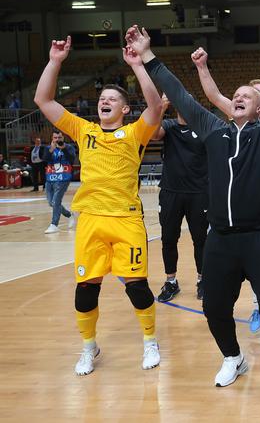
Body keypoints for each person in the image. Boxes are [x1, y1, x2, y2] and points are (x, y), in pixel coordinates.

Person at [137, 24, 260, 389]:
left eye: (247, 95)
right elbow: (179, 94)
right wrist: (148, 56)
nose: (238, 97)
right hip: (221, 239)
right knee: (214, 307)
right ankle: (234, 357)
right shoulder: (212, 128)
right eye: (235, 94)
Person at [33, 34, 163, 376]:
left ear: (124, 108)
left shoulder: (136, 132)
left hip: (126, 219)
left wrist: (137, 65)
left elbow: (154, 107)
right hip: (90, 219)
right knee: (86, 288)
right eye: (101, 98)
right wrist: (55, 61)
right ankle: (89, 348)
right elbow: (43, 100)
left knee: (136, 286)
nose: (104, 101)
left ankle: (150, 340)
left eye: (111, 99)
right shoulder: (82, 129)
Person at [191, 47, 260, 333]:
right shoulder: (238, 126)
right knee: (255, 259)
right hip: (247, 203)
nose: (246, 96)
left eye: (258, 93)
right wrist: (203, 67)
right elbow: (215, 97)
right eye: (244, 93)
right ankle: (258, 306)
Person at [153, 94, 210, 302]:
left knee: (201, 240)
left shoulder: (204, 127)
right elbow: (153, 134)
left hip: (200, 193)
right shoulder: (167, 126)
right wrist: (161, 106)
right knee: (168, 238)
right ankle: (171, 281)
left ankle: (203, 280)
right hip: (170, 192)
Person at [42, 130, 77, 234]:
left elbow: (72, 159)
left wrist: (64, 149)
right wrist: (51, 151)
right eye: (55, 138)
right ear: (52, 139)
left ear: (63, 138)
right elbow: (45, 159)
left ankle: (54, 224)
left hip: (63, 178)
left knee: (56, 201)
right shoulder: (48, 148)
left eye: (59, 138)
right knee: (51, 202)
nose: (57, 140)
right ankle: (69, 214)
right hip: (50, 178)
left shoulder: (69, 147)